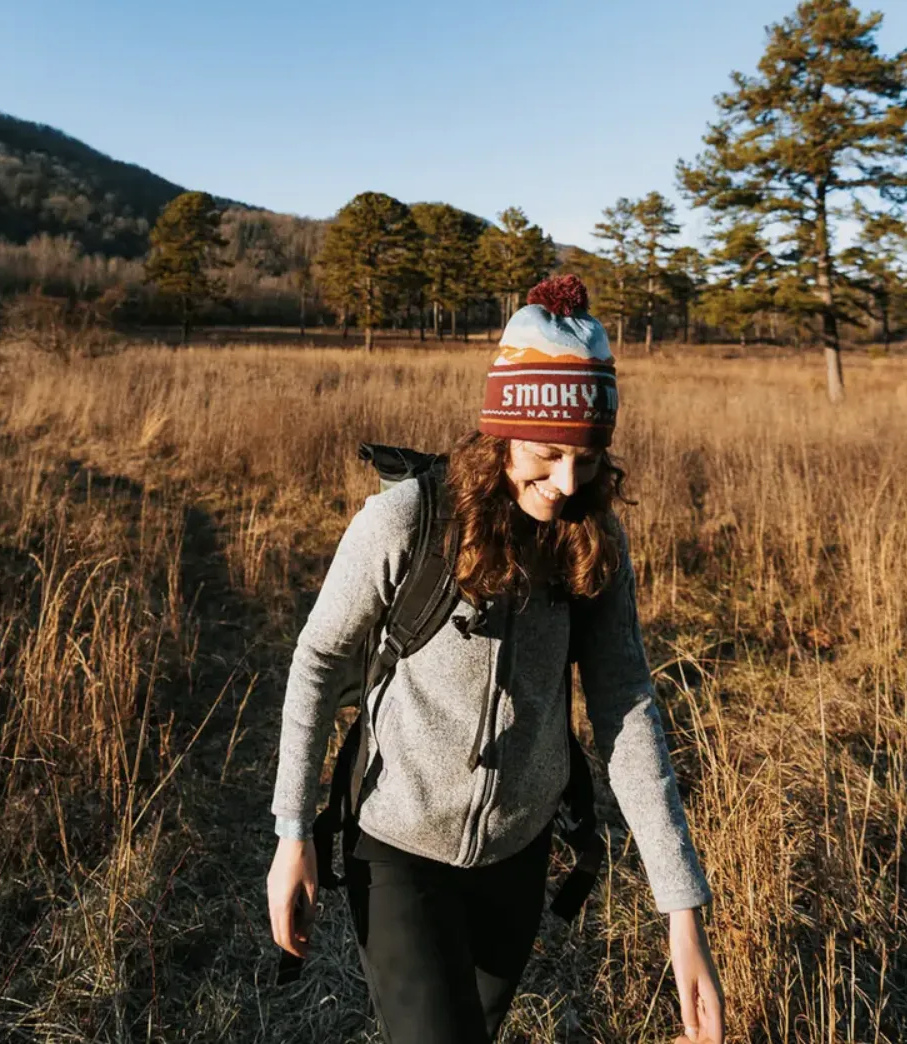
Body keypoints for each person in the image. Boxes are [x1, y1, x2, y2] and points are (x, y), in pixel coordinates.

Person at [266, 274, 725, 1044]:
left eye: (587, 457)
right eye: (546, 454)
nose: (568, 482)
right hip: (399, 847)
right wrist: (292, 833)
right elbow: (317, 661)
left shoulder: (595, 536)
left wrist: (683, 913)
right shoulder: (407, 521)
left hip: (519, 855)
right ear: (502, 431)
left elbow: (626, 706)